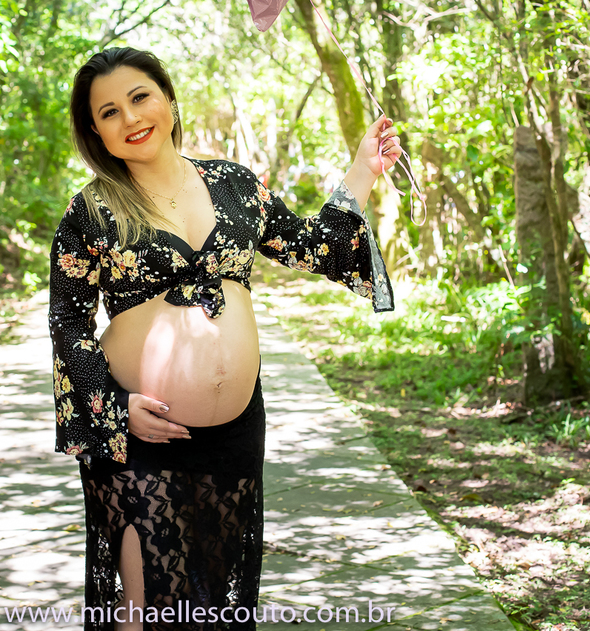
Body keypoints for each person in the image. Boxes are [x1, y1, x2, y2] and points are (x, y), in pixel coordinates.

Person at [49, 47, 400, 631]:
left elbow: (314, 246)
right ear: (96, 132)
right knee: (146, 609)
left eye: (140, 97)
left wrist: (363, 169)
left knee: (210, 603)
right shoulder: (91, 212)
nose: (130, 118)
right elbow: (68, 322)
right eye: (109, 112)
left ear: (168, 99)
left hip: (234, 435)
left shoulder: (234, 184)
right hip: (139, 433)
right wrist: (113, 408)